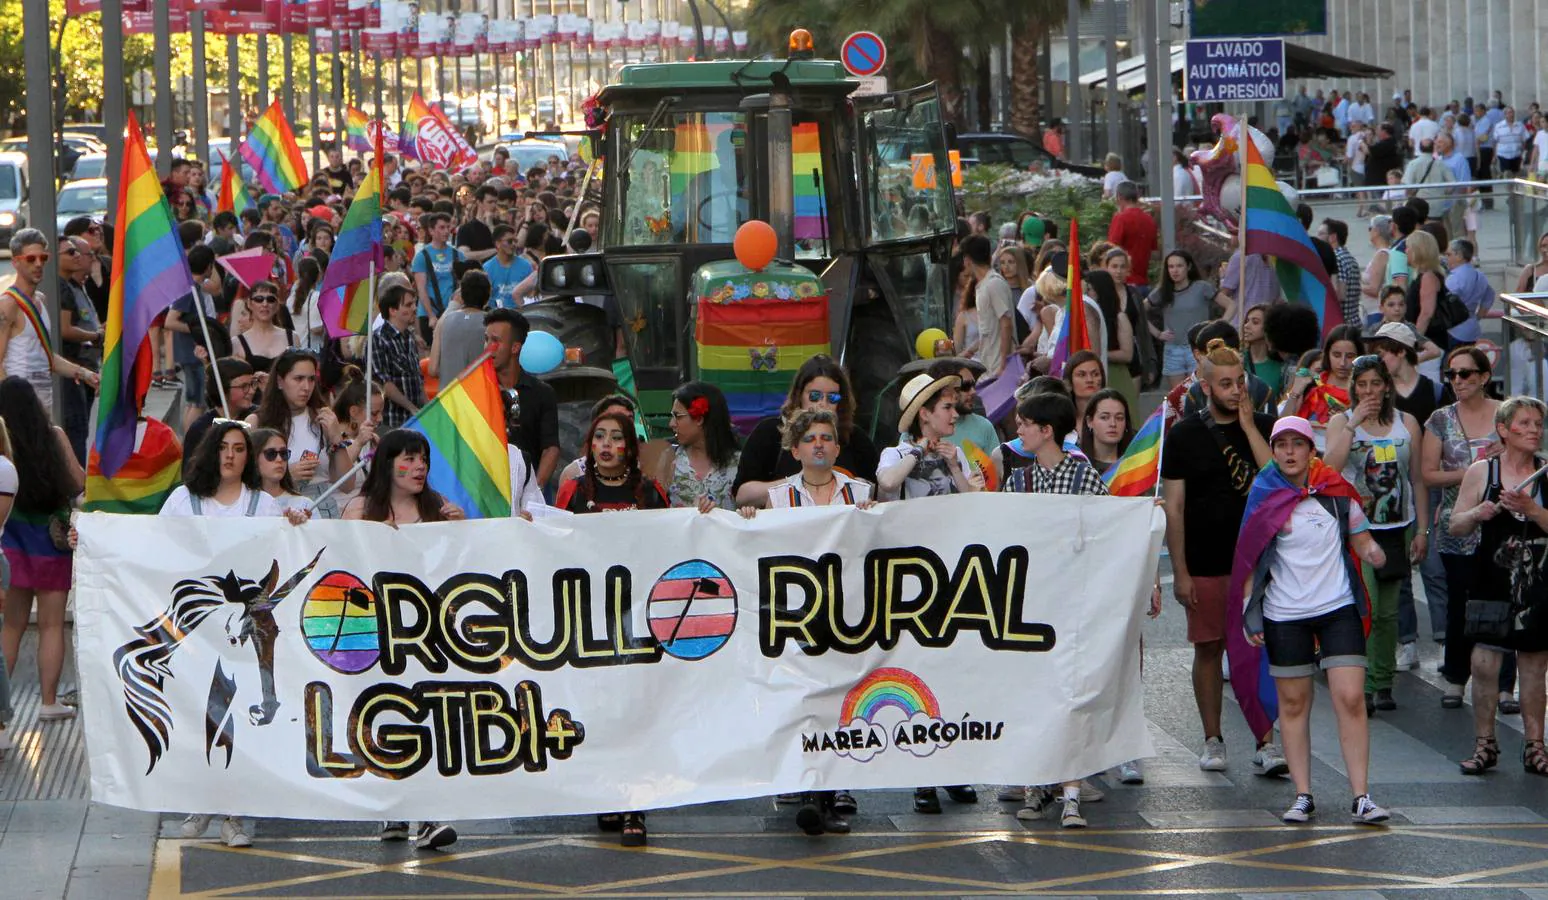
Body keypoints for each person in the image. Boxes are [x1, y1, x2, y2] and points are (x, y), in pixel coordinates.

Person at [1239, 416, 1391, 826]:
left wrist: (1375, 552)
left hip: (1337, 606)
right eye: (1281, 445)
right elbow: (1249, 558)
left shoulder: (1336, 491)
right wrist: (1246, 612)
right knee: (1293, 703)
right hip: (1284, 613)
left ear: (1311, 450)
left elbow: (1361, 540)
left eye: (1297, 444)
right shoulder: (1263, 493)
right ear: (1273, 451)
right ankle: (1303, 794)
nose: (1289, 452)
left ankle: (1361, 797)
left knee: (1350, 697)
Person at [735, 407, 870, 835]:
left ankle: (828, 793)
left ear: (837, 446)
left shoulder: (860, 492)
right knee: (806, 702)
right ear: (795, 450)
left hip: (848, 615)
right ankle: (813, 794)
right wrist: (750, 524)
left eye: (826, 438)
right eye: (810, 438)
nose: (819, 444)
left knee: (839, 704)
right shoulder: (778, 498)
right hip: (798, 618)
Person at [333, 429, 461, 851]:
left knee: (427, 714)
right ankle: (394, 808)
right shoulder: (358, 510)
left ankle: (427, 815)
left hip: (428, 634)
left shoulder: (441, 510)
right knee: (386, 717)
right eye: (408, 459)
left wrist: (464, 532)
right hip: (376, 632)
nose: (419, 467)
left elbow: (466, 566)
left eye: (423, 459)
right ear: (387, 464)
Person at [1161, 340, 1284, 776]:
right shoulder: (1184, 435)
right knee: (1209, 647)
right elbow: (1173, 508)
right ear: (1206, 386)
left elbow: (1281, 481)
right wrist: (1180, 571)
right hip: (1206, 560)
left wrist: (1251, 429)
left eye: (1240, 383)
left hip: (1261, 563)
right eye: (1226, 384)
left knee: (1258, 652)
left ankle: (1266, 741)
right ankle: (1213, 738)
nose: (1235, 391)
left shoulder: (1268, 427)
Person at [1446, 397, 1548, 777]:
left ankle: (1535, 746)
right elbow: (1455, 526)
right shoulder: (1481, 471)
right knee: (1484, 664)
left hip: (1536, 585)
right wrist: (1479, 512)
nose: (1534, 429)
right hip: (1490, 579)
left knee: (1534, 666)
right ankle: (1485, 744)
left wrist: (1532, 509)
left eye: (1538, 423)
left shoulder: (1545, 473)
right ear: (1504, 430)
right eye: (1524, 423)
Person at [1324, 355, 1428, 715]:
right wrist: (1353, 422)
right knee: (1362, 606)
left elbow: (1416, 479)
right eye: (1361, 384)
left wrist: (1422, 529)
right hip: (1358, 529)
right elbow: (1329, 469)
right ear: (1353, 387)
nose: (1368, 391)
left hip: (1397, 527)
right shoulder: (1341, 421)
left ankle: (1383, 681)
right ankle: (1363, 684)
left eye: (1375, 383)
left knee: (1387, 612)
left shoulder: (1407, 423)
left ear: (1387, 386)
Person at [1424, 346, 1505, 709]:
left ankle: (1505, 683)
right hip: (1456, 524)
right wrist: (1473, 471)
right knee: (1461, 602)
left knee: (1503, 599)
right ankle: (1456, 677)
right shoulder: (1440, 419)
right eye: (1451, 374)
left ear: (1484, 377)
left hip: (1501, 521)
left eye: (1465, 374)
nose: (1457, 381)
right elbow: (1428, 474)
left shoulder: (1506, 414)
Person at [0, 377, 83, 722]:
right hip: (51, 542)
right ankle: (49, 702)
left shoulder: (4, 447)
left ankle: (2, 708)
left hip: (13, 541)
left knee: (11, 625)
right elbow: (78, 482)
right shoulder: (54, 436)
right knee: (51, 625)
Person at [733, 356, 878, 508]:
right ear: (799, 395)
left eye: (832, 398)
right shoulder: (769, 433)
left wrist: (849, 485)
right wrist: (801, 482)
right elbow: (742, 495)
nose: (822, 403)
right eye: (815, 396)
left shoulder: (856, 438)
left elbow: (879, 493)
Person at [0, 230, 100, 410]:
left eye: (43, 258)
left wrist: (85, 374)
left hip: (44, 405)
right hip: (20, 409)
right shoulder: (8, 305)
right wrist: (12, 406)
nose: (38, 264)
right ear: (15, 262)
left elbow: (46, 357)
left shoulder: (41, 300)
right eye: (31, 259)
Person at [246, 349, 350, 517]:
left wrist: (337, 438)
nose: (306, 387)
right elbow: (245, 478)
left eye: (311, 379)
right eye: (298, 379)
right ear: (280, 381)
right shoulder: (257, 421)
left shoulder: (324, 419)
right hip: (274, 507)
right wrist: (286, 475)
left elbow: (347, 485)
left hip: (321, 505)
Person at [877, 372, 984, 502]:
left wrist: (955, 467)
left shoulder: (954, 453)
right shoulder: (895, 453)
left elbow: (970, 503)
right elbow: (888, 483)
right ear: (924, 414)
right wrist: (918, 450)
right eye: (947, 407)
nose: (955, 414)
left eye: (954, 407)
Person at [484, 308, 560, 488]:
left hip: (529, 488)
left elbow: (551, 448)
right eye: (486, 339)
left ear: (515, 347)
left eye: (495, 340)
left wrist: (534, 491)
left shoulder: (542, 392)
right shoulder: (476, 391)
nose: (488, 347)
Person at [657, 382, 740, 510]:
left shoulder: (739, 463)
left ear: (699, 419)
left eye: (677, 416)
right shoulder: (669, 460)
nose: (671, 424)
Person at [1281, 325, 1362, 451]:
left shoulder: (1365, 389)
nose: (1342, 363)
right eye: (1336, 355)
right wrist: (1295, 393)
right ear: (1327, 354)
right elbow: (1282, 426)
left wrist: (1345, 421)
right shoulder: (1311, 384)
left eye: (1350, 356)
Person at [1148, 251, 1214, 389]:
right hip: (1173, 349)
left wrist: (1215, 328)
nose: (1175, 270)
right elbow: (1139, 310)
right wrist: (1157, 333)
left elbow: (1230, 305)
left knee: (1199, 393)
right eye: (1170, 267)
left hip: (1197, 348)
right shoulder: (1163, 291)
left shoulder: (1201, 287)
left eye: (1179, 266)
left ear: (1188, 267)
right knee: (1179, 399)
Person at [371, 284, 427, 431]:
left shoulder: (409, 337)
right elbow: (383, 383)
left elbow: (417, 378)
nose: (414, 308)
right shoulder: (378, 339)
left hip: (414, 422)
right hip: (391, 421)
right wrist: (412, 408)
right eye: (408, 305)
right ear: (393, 310)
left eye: (414, 304)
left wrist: (427, 408)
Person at [962, 234, 1013, 380]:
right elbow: (990, 330)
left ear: (967, 260)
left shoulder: (993, 284)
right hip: (988, 366)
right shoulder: (984, 286)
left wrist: (1003, 365)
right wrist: (969, 351)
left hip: (998, 369)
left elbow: (1006, 323)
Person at [430, 269, 492, 381]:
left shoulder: (444, 321)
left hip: (448, 396)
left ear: (462, 294)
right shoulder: (492, 325)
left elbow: (433, 369)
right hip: (478, 395)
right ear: (488, 297)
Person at [233, 280, 298, 376]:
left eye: (270, 299)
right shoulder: (237, 342)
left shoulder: (292, 337)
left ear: (277, 306)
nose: (265, 304)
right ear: (249, 304)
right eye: (259, 299)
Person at [1402, 231, 1453, 350]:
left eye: (1408, 248)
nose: (1405, 251)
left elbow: (1426, 314)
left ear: (1417, 251)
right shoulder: (1424, 275)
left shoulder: (1428, 277)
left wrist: (1415, 342)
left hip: (1429, 342)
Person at [1107, 181, 1157, 289]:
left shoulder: (1120, 219)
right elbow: (1154, 252)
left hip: (1124, 282)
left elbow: (1111, 251)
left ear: (1119, 197)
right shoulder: (1149, 220)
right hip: (1143, 282)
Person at [1080, 388, 1134, 473]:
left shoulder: (1136, 467)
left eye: (1119, 418)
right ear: (1089, 421)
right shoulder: (1077, 466)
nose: (1113, 424)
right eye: (1104, 417)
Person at [1062, 350, 1105, 424]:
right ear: (1069, 383)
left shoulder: (1113, 420)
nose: (1090, 380)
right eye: (1082, 375)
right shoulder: (1061, 422)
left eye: (1095, 374)